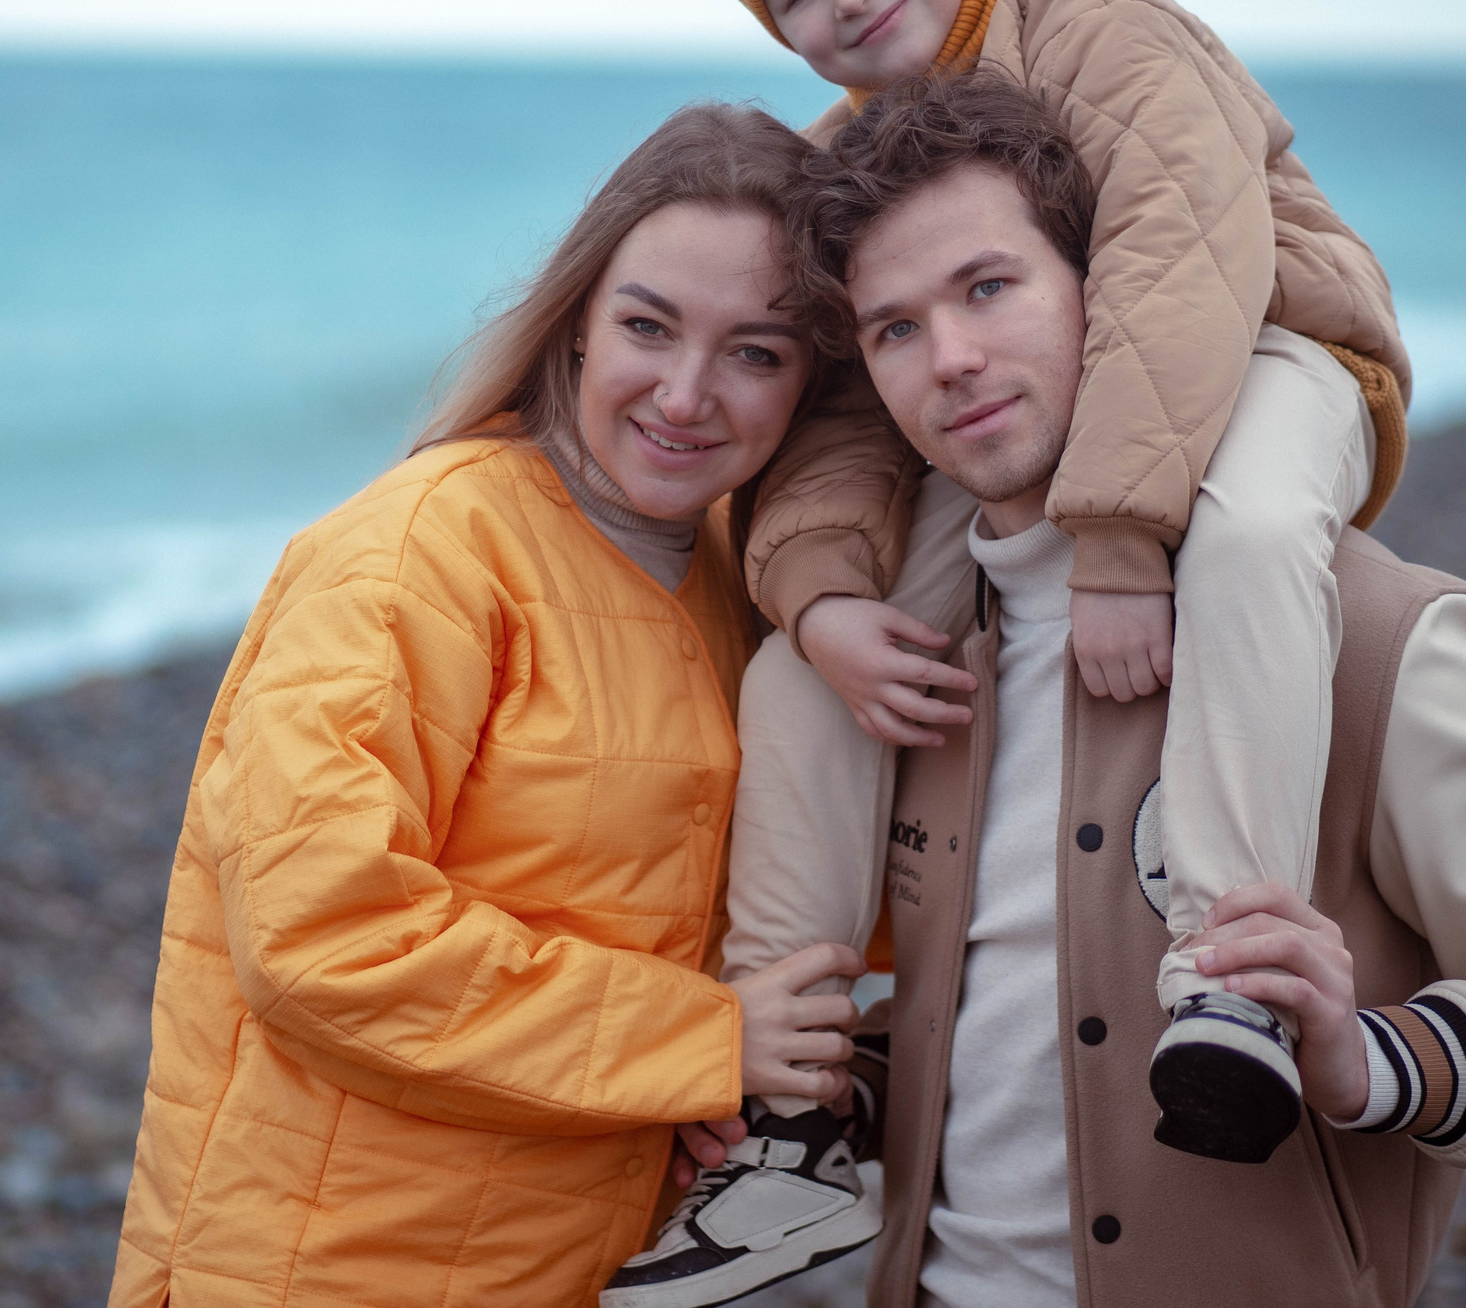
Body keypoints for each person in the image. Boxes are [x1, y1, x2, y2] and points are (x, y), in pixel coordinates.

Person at [617, 70, 1466, 1308]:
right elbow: (1004, 1012)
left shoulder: (1378, 638)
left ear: (1104, 291)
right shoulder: (895, 673)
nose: (951, 361)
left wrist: (1366, 1060)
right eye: (895, 327)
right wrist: (850, 1083)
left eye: (988, 287)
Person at [635, 0, 1416, 1291]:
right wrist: (823, 595)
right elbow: (850, 417)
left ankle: (1230, 981)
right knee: (806, 673)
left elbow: (1179, 257)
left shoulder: (1088, 15)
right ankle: (792, 1116)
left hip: (1268, 339)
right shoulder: (855, 160)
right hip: (1075, 413)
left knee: (1255, 536)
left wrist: (1125, 540)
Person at [105, 103, 892, 1308]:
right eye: (647, 326)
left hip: (566, 1263)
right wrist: (701, 1041)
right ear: (577, 320)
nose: (685, 395)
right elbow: (322, 937)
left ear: (810, 382)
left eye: (756, 352)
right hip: (327, 1269)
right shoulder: (420, 552)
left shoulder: (736, 589)